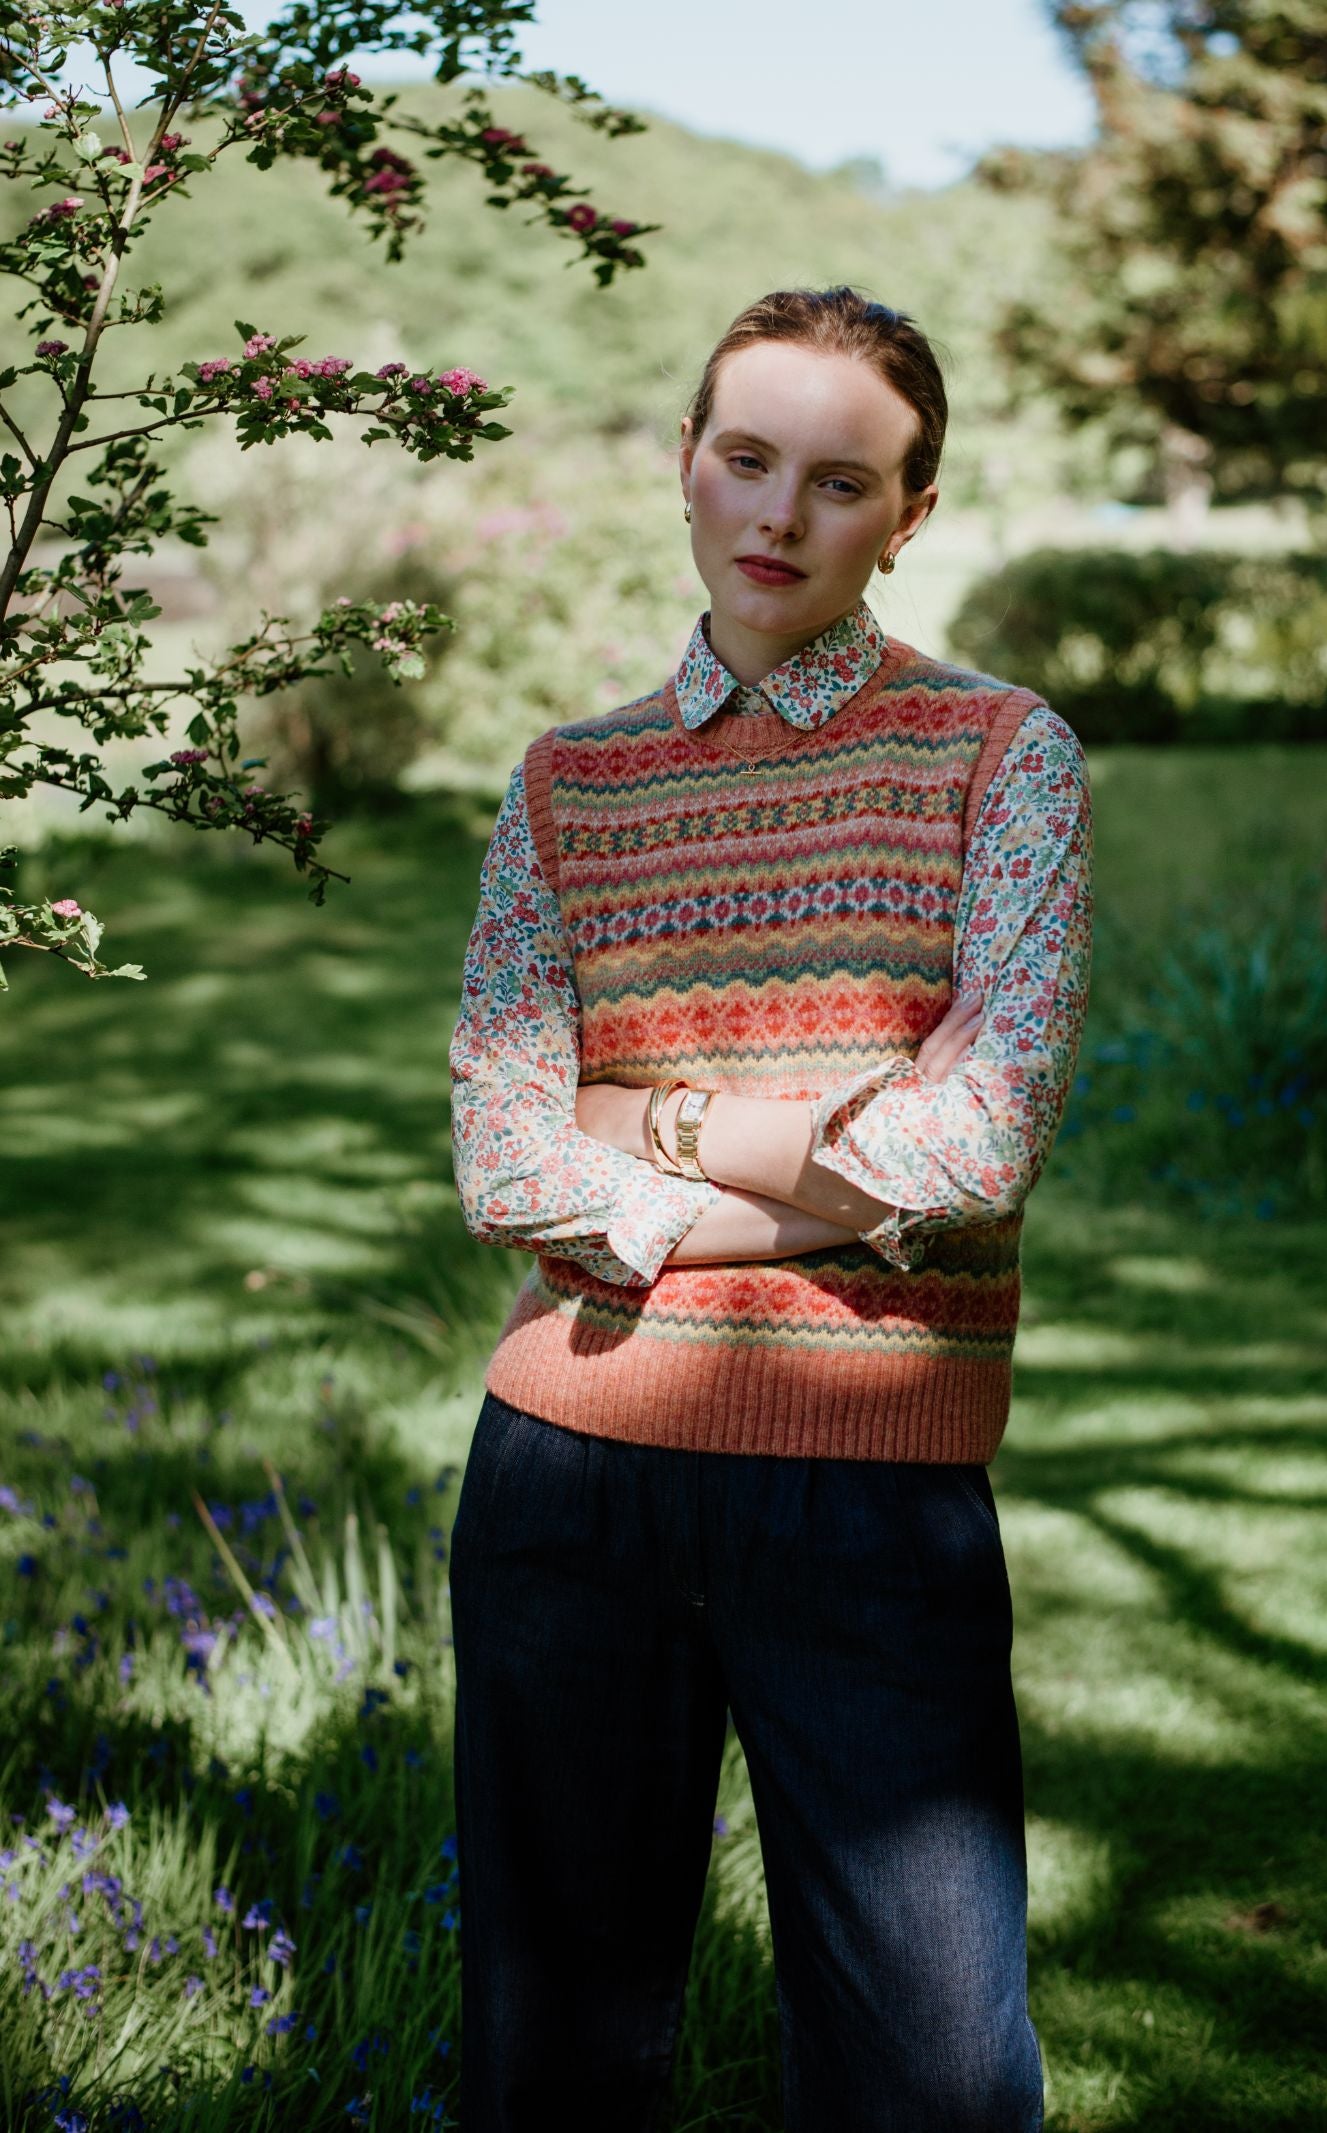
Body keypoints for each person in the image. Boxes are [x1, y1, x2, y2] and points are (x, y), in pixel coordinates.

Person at [447, 283, 1094, 2133]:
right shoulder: (570, 782)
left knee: (935, 2077)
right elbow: (505, 1160)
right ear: (686, 462)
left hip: (870, 1478)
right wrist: (843, 1162)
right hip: (569, 1470)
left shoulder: (1000, 758)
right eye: (747, 460)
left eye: (839, 481)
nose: (779, 516)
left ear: (912, 514)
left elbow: (982, 1148)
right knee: (550, 2070)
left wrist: (645, 1129)